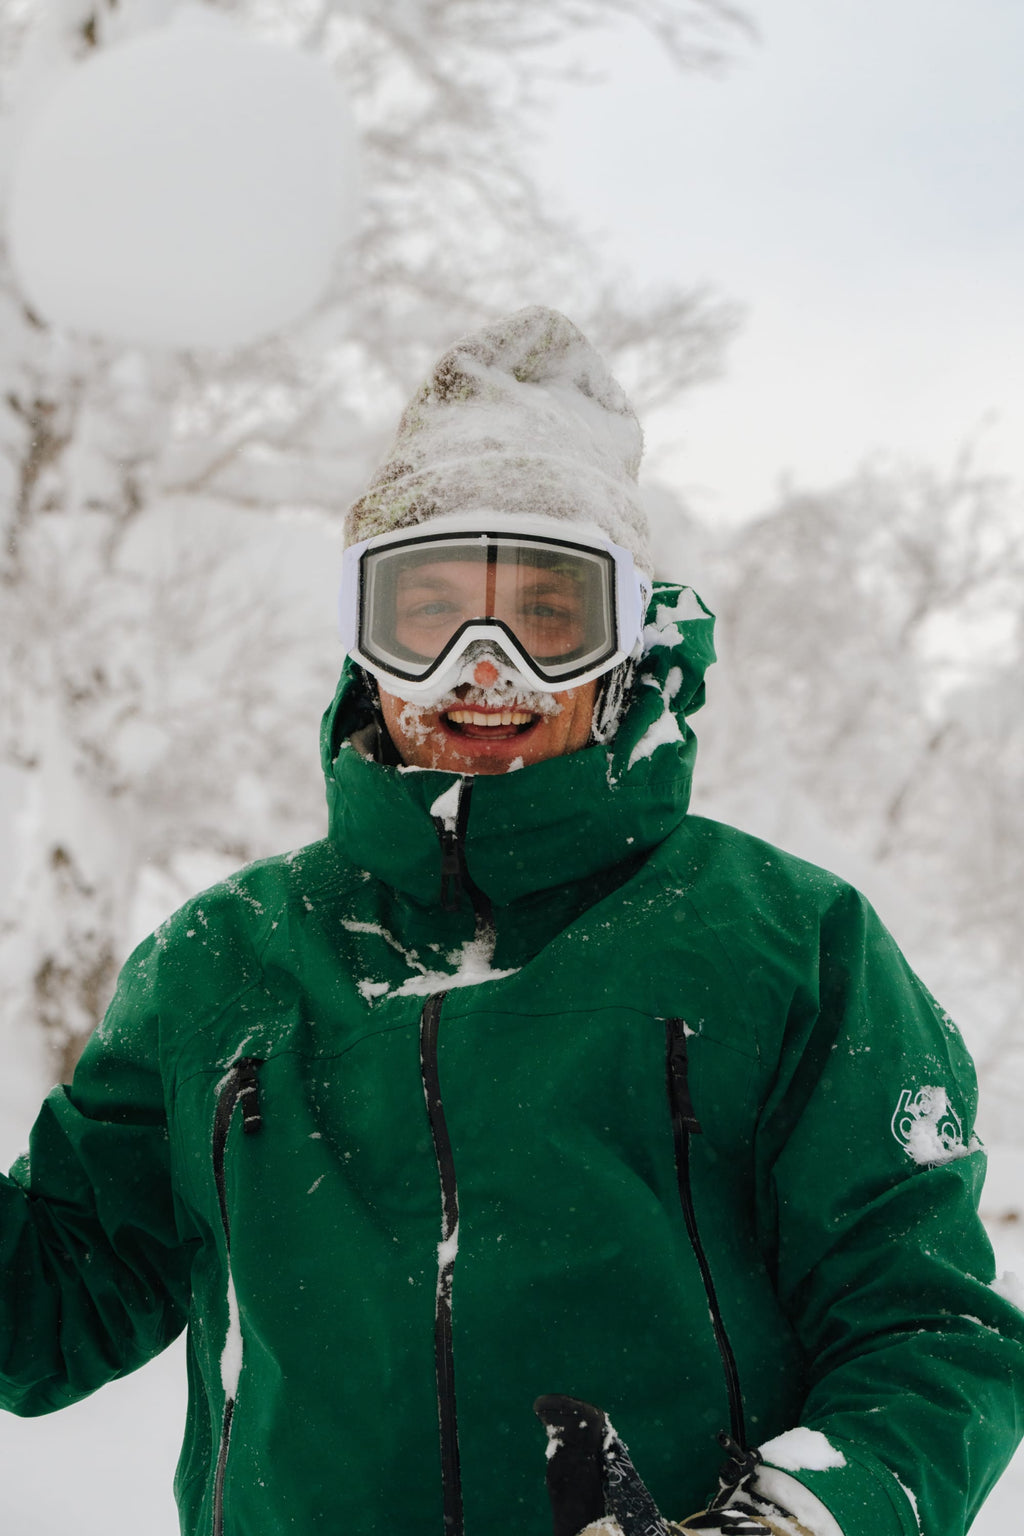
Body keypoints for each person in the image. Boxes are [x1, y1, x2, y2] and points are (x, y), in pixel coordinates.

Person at [1, 306, 1021, 1536]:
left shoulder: (789, 946)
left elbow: (930, 1325)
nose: (483, 670)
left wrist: (803, 1519)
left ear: (627, 637)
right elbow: (47, 1312)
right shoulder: (224, 961)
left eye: (547, 615)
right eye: (426, 615)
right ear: (364, 643)